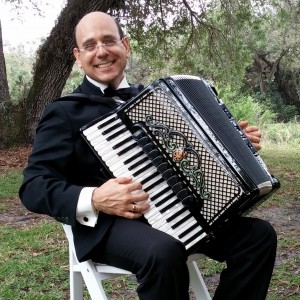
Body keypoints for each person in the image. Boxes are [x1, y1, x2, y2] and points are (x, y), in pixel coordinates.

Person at [19, 11, 277, 300]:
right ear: (78, 57)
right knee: (163, 251)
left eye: (109, 41)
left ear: (125, 46)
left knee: (258, 237)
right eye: (90, 45)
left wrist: (236, 145)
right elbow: (33, 187)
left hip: (181, 213)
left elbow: (187, 153)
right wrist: (94, 197)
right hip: (111, 225)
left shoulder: (157, 99)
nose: (101, 51)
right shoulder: (64, 112)